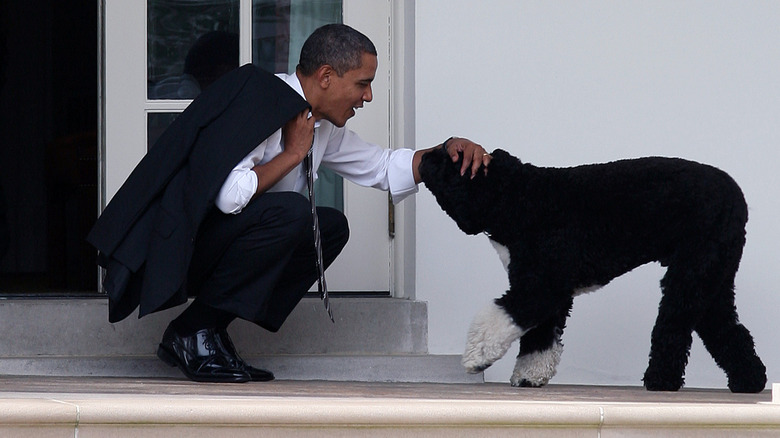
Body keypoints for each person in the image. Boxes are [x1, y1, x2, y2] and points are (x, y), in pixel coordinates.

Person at [88, 23, 490, 383]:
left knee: (330, 227)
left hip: (220, 247)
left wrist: (446, 151)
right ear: (327, 76)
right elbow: (229, 197)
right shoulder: (260, 98)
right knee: (294, 213)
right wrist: (293, 154)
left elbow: (382, 166)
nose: (367, 96)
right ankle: (193, 334)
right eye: (362, 83)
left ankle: (200, 328)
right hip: (177, 251)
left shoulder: (318, 123)